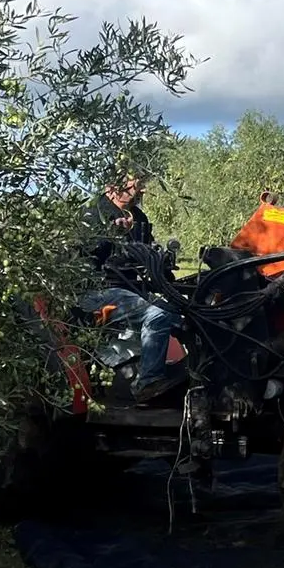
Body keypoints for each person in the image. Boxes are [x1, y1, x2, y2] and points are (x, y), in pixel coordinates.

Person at [80, 173, 185, 403]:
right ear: (112, 186)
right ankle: (147, 382)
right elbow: (82, 252)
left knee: (181, 315)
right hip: (96, 291)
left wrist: (162, 264)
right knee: (157, 316)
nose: (142, 191)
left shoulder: (138, 216)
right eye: (136, 186)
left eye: (141, 186)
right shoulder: (92, 213)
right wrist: (108, 236)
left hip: (131, 289)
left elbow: (147, 252)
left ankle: (187, 378)